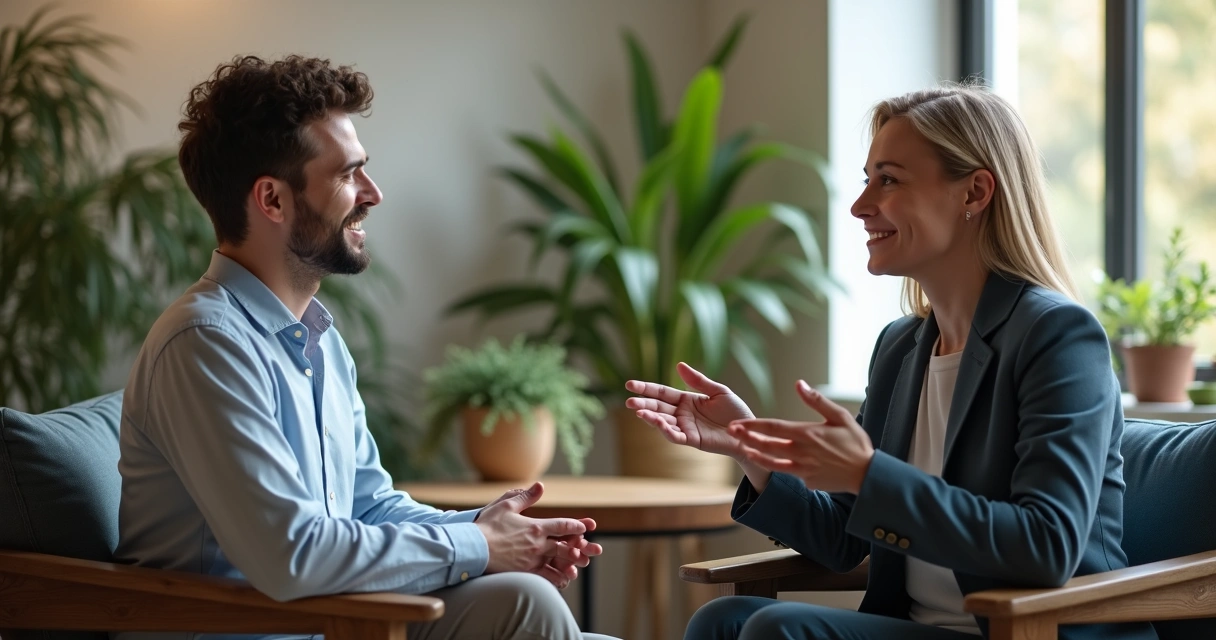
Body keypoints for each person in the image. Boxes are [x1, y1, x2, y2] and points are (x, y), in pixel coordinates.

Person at [625, 85, 1158, 640]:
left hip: (1028, 633)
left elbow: (1046, 547)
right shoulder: (903, 348)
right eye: (867, 180)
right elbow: (843, 539)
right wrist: (747, 446)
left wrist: (869, 474)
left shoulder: (1057, 336)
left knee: (774, 631)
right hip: (919, 628)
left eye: (890, 180)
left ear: (974, 192)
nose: (860, 207)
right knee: (721, 620)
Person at [116, 55, 617, 640]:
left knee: (534, 605)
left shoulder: (319, 341)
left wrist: (488, 526)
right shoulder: (204, 345)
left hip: (334, 619)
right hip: (253, 625)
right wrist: (479, 545)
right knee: (528, 607)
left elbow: (370, 507)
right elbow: (293, 555)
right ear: (272, 200)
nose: (373, 194)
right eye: (348, 174)